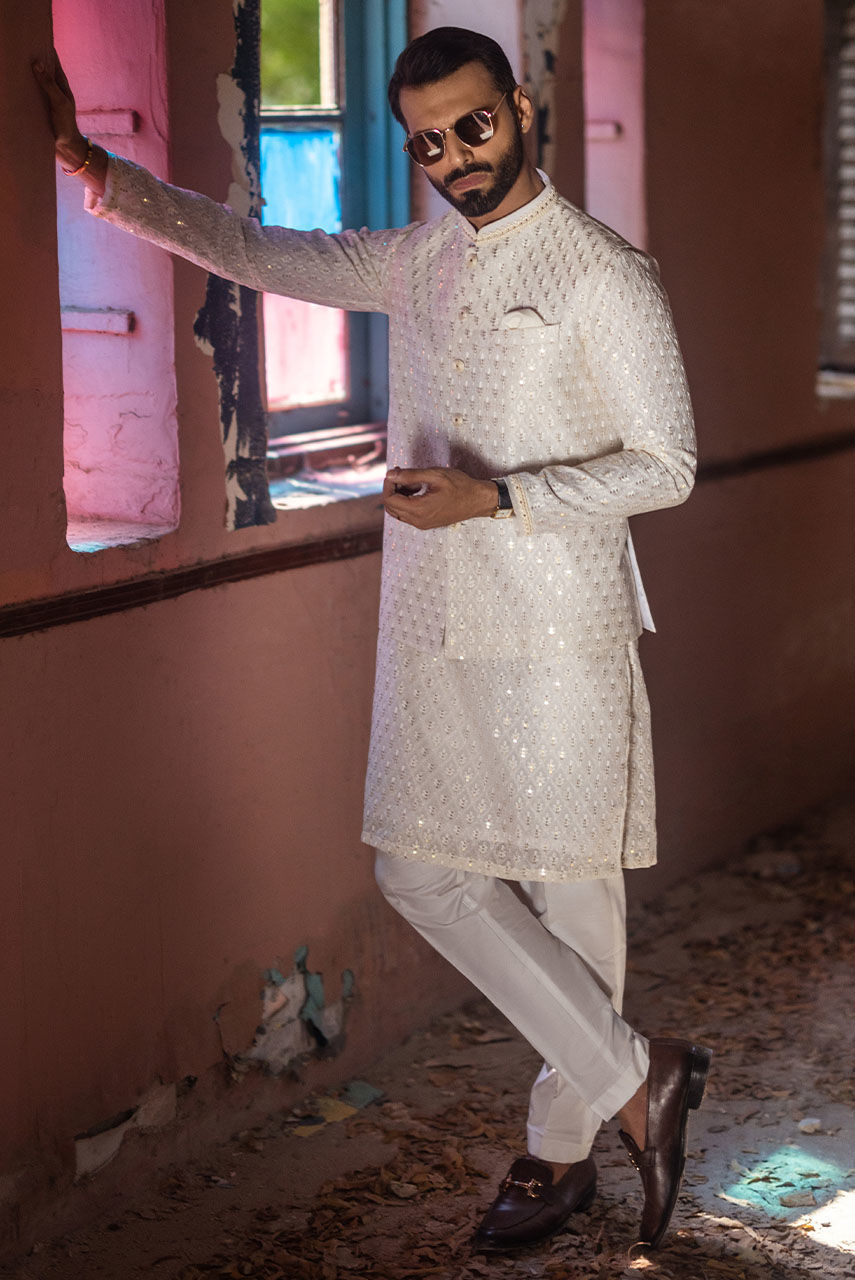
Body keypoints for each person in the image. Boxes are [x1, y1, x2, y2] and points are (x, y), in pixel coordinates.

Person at [34, 25, 710, 1253]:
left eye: (475, 126)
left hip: (563, 630)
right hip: (436, 624)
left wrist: (498, 497)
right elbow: (261, 250)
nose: (456, 157)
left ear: (520, 105)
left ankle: (563, 1150)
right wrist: (104, 174)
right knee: (419, 872)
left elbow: (667, 465)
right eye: (428, 143)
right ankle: (636, 1074)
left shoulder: (606, 274)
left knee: (576, 903)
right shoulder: (417, 260)